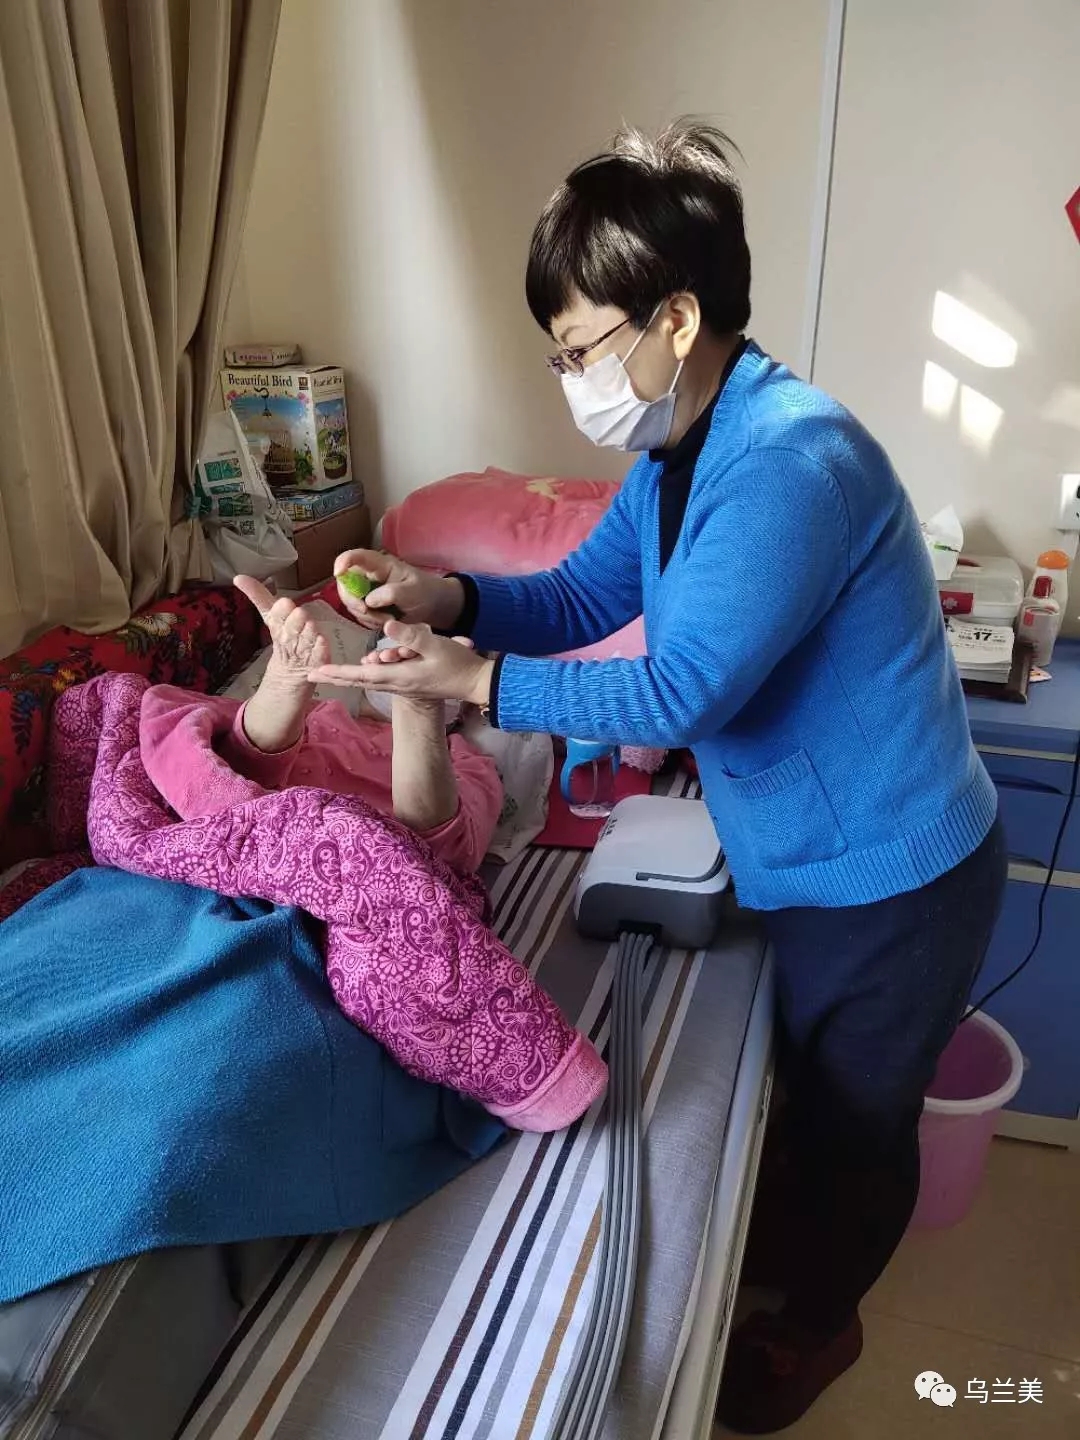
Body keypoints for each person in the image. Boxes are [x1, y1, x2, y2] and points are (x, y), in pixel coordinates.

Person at [306, 121, 1006, 1433]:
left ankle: (820, 1325)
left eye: (579, 348)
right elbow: (583, 596)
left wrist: (472, 684)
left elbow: (682, 691)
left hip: (894, 873)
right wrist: (444, 593)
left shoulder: (789, 464)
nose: (572, 377)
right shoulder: (677, 454)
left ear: (673, 319)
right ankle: (796, 1260)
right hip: (809, 859)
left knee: (858, 1123)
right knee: (815, 1098)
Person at [161, 575, 502, 876]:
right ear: (371, 657)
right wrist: (285, 679)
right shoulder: (322, 713)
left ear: (471, 701)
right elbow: (232, 773)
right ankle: (286, 674)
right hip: (251, 839)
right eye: (401, 643)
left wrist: (418, 707)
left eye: (440, 649)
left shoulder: (467, 759)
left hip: (369, 866)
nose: (412, 656)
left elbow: (449, 855)